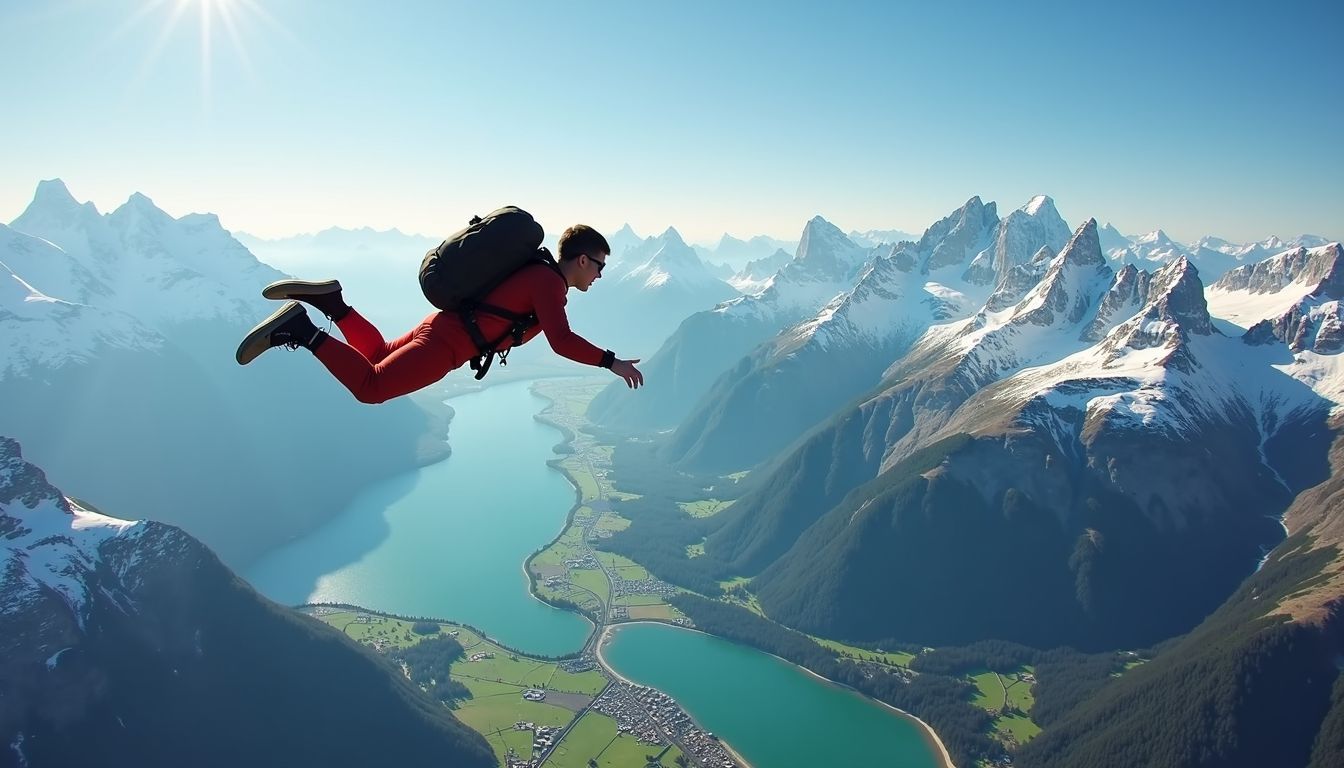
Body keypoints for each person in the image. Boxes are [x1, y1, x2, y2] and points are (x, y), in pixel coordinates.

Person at [235, 224, 644, 403]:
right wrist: (611, 362)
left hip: (442, 325)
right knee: (370, 387)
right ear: (582, 260)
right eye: (600, 265)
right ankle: (302, 329)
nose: (601, 275)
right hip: (448, 345)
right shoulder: (549, 283)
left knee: (375, 355)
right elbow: (562, 341)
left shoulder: (537, 272)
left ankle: (333, 304)